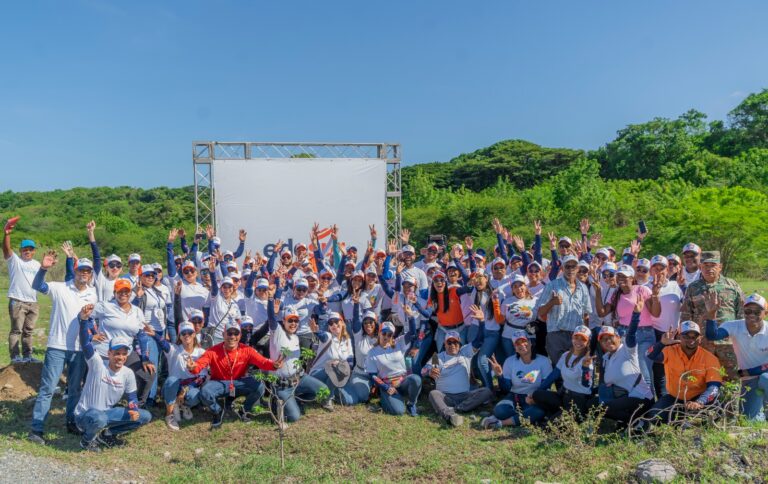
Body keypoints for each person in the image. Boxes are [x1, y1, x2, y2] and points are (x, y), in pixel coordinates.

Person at [29, 250, 98, 443]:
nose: (84, 273)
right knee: (48, 388)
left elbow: (93, 322)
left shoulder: (93, 294)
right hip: (57, 346)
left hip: (79, 348)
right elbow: (37, 285)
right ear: (75, 270)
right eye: (81, 270)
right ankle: (36, 429)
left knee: (75, 389)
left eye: (87, 271)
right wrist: (43, 268)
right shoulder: (60, 288)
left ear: (91, 274)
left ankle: (71, 422)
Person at [74, 305, 152, 451]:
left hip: (106, 414)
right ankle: (86, 441)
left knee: (145, 416)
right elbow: (85, 343)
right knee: (100, 418)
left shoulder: (127, 373)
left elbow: (132, 397)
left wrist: (133, 408)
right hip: (85, 415)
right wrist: (84, 321)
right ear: (109, 353)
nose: (120, 357)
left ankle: (107, 434)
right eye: (116, 353)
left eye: (123, 354)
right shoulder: (97, 363)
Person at [187, 320, 283, 429]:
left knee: (259, 386)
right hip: (219, 383)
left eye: (236, 333)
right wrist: (193, 368)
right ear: (223, 335)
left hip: (238, 382)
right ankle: (217, 411)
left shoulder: (247, 350)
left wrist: (273, 365)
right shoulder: (212, 351)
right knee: (204, 392)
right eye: (229, 333)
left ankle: (244, 410)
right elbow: (199, 365)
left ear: (240, 335)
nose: (232, 336)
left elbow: (262, 362)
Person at [594, 264, 661, 394]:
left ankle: (649, 405)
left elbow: (656, 313)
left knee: (643, 370)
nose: (620, 278)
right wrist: (597, 291)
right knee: (629, 371)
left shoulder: (642, 290)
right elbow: (602, 312)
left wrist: (656, 295)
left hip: (644, 334)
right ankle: (633, 401)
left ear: (632, 277)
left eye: (624, 276)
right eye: (618, 275)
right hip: (624, 334)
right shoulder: (615, 294)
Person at [641, 321, 722, 428]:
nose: (691, 340)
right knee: (655, 416)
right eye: (686, 336)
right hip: (675, 397)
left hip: (698, 397)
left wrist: (700, 402)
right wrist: (662, 343)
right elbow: (649, 355)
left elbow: (714, 386)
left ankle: (698, 426)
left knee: (718, 411)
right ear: (679, 337)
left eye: (695, 336)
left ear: (700, 338)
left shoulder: (710, 358)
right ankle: (679, 424)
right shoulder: (669, 350)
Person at [588, 299, 654, 426]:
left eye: (611, 338)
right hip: (624, 398)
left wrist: (636, 315)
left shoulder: (627, 350)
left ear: (618, 337)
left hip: (641, 399)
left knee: (604, 408)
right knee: (592, 404)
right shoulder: (606, 358)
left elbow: (631, 335)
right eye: (604, 340)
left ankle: (639, 423)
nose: (608, 342)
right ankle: (628, 422)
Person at [266, 297, 332, 423]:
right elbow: (271, 318)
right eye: (290, 320)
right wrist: (270, 299)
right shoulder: (277, 333)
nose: (293, 323)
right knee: (294, 417)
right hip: (283, 385)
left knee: (324, 391)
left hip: (299, 378)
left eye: (296, 321)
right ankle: (276, 401)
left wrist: (316, 332)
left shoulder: (296, 337)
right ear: (283, 321)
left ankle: (296, 398)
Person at [680, 251, 744, 380]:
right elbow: (686, 315)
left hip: (728, 342)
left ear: (720, 266)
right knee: (703, 377)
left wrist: (741, 336)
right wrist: (687, 338)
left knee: (731, 377)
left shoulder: (732, 286)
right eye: (705, 265)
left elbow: (741, 313)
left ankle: (729, 400)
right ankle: (705, 400)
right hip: (703, 342)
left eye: (713, 265)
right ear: (700, 267)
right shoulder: (693, 288)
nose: (709, 269)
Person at [704, 293, 768, 420]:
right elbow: (713, 335)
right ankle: (761, 412)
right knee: (748, 420)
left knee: (765, 378)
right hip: (749, 380)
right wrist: (711, 315)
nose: (751, 315)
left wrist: (748, 371)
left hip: (764, 375)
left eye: (757, 311)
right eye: (748, 311)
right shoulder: (734, 325)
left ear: (765, 313)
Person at [422, 328, 492, 427]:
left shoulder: (465, 352)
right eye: (449, 343)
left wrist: (481, 322)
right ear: (444, 344)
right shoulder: (437, 357)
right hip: (445, 396)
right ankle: (448, 415)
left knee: (486, 391)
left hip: (464, 396)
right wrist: (429, 372)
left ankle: (458, 409)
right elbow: (424, 370)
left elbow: (479, 341)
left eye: (455, 342)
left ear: (459, 344)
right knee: (433, 394)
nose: (453, 345)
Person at [482, 330, 551, 429]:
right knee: (500, 411)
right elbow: (506, 388)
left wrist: (534, 397)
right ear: (515, 348)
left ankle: (501, 422)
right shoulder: (510, 361)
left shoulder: (543, 361)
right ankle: (525, 417)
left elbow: (546, 385)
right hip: (514, 397)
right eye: (517, 343)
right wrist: (500, 375)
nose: (522, 345)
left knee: (539, 411)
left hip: (533, 398)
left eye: (524, 341)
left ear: (530, 342)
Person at [536, 255, 591, 366]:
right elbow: (540, 312)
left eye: (573, 266)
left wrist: (587, 337)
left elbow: (586, 314)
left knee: (574, 367)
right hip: (556, 335)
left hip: (577, 336)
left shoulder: (583, 288)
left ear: (578, 268)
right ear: (562, 268)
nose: (570, 269)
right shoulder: (552, 285)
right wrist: (552, 302)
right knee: (558, 368)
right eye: (567, 266)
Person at [531, 325, 595, 421]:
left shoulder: (587, 360)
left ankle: (568, 415)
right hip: (564, 395)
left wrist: (586, 369)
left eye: (583, 339)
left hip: (578, 399)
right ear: (572, 338)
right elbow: (554, 375)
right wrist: (533, 394)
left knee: (551, 427)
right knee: (537, 394)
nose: (578, 342)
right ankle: (559, 413)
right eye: (576, 338)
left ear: (588, 342)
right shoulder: (566, 355)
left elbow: (587, 385)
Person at [152, 321, 206, 431]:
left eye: (189, 333)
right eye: (183, 333)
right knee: (172, 380)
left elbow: (202, 377)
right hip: (173, 387)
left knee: (194, 396)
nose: (187, 335)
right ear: (179, 336)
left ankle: (183, 405)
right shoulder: (174, 349)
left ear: (194, 334)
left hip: (190, 387)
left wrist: (185, 390)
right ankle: (170, 413)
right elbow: (164, 343)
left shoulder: (201, 352)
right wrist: (154, 334)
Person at [3, 216, 41, 363]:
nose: (27, 251)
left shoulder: (37, 264)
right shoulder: (15, 261)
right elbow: (6, 249)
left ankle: (28, 356)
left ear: (34, 251)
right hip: (18, 301)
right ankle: (15, 357)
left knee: (28, 331)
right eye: (25, 249)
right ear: (20, 250)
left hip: (33, 302)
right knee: (16, 330)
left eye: (30, 249)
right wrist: (7, 234)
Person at [366, 316, 421, 417]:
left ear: (392, 335)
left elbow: (413, 334)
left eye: (389, 334)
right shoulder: (372, 352)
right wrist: (386, 387)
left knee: (416, 379)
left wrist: (410, 317)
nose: (386, 336)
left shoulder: (399, 343)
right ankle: (384, 400)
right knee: (398, 412)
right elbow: (372, 375)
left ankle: (411, 404)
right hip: (388, 385)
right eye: (384, 333)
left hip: (403, 382)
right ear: (379, 333)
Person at [308, 310, 355, 405]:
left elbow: (350, 359)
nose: (334, 324)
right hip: (318, 374)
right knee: (336, 367)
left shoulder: (347, 340)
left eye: (336, 321)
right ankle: (327, 399)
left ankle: (330, 393)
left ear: (342, 322)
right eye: (330, 323)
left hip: (336, 375)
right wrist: (317, 331)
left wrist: (346, 369)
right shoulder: (328, 337)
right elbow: (323, 336)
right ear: (328, 327)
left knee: (349, 401)